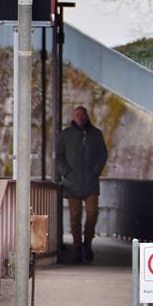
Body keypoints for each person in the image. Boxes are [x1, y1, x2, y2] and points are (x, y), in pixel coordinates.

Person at [57, 105, 108, 263]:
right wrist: (66, 172)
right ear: (74, 116)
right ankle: (77, 247)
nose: (80, 117)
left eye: (82, 114)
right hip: (72, 183)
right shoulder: (65, 135)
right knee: (75, 217)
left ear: (87, 116)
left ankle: (88, 243)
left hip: (91, 182)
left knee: (92, 214)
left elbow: (103, 154)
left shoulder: (96, 134)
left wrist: (96, 171)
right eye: (77, 114)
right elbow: (59, 155)